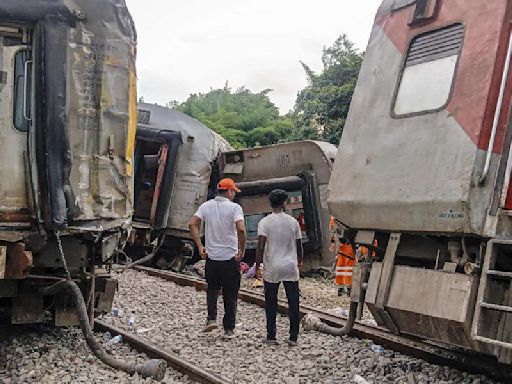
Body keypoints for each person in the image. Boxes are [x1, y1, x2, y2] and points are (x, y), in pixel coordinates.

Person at [188, 178, 246, 338]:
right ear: (228, 192)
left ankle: (211, 318)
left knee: (212, 289)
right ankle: (229, 329)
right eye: (233, 191)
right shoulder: (235, 208)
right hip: (230, 258)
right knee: (230, 293)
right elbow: (241, 229)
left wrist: (200, 246)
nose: (234, 194)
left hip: (212, 258)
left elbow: (192, 223)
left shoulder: (206, 206)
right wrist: (242, 249)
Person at [255, 189, 303, 346]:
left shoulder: (264, 222)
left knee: (270, 302)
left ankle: (271, 336)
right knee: (293, 302)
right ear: (284, 203)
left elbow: (261, 246)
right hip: (290, 266)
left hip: (272, 267)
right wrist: (299, 262)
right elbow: (299, 245)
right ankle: (293, 337)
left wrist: (257, 266)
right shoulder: (293, 222)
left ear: (270, 203)